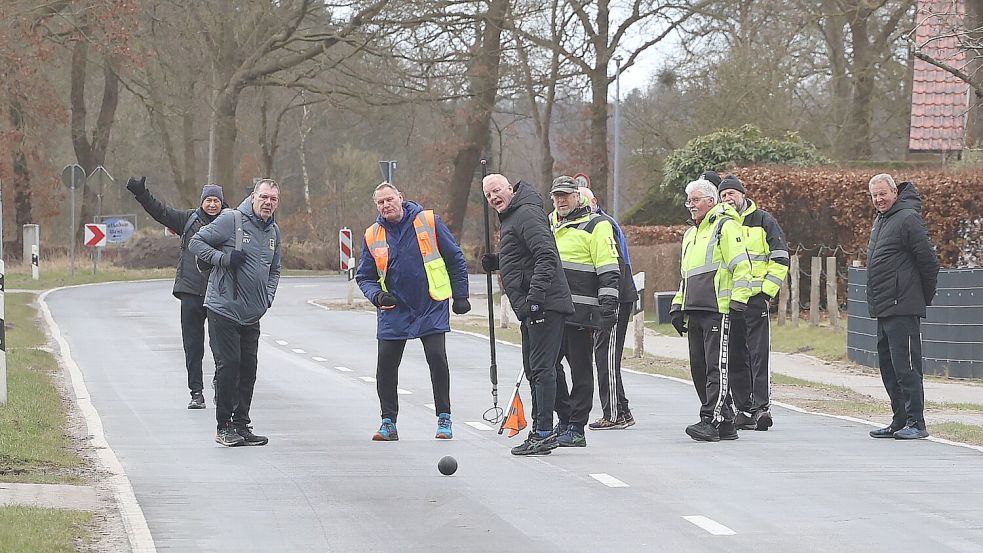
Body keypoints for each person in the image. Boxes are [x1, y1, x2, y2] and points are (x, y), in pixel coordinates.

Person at [356, 182, 470, 441]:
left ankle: (444, 418)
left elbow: (455, 258)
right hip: (393, 308)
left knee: (436, 358)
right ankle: (388, 422)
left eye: (390, 199)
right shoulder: (373, 235)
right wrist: (376, 295)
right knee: (385, 365)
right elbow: (365, 276)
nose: (386, 205)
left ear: (401, 198)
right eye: (380, 202)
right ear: (376, 206)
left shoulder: (428, 221)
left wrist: (461, 295)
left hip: (429, 304)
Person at [481, 174, 574, 456]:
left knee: (541, 370)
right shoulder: (513, 215)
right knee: (542, 368)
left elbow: (546, 255)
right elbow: (524, 256)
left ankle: (543, 432)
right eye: (488, 195)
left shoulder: (526, 213)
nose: (493, 197)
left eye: (496, 190)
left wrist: (534, 300)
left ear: (510, 188)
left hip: (542, 304)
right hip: (532, 305)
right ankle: (568, 424)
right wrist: (497, 261)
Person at [189, 179, 282, 447]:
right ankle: (224, 426)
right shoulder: (232, 220)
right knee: (228, 366)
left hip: (253, 312)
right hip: (223, 307)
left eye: (273, 199)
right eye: (264, 197)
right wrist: (223, 259)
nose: (268, 203)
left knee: (248, 369)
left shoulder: (274, 231)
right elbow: (196, 242)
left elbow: (275, 269)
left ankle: (242, 424)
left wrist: (268, 297)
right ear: (253, 197)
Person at [126, 176, 228, 409]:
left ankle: (220, 385)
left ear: (222, 203)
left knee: (221, 346)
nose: (212, 205)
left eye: (216, 201)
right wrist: (141, 194)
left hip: (219, 293)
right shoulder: (187, 220)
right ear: (202, 202)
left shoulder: (230, 222)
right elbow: (160, 212)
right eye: (208, 200)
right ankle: (196, 392)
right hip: (191, 291)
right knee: (193, 345)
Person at [670, 178, 752, 442]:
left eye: (696, 200)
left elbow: (741, 265)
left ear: (711, 200)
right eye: (689, 201)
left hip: (719, 308)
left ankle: (711, 419)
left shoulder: (725, 227)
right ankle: (726, 421)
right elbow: (686, 275)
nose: (691, 205)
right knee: (699, 368)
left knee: (717, 367)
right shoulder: (691, 234)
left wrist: (739, 300)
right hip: (695, 308)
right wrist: (677, 306)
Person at [865, 174, 939, 440]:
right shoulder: (882, 220)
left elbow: (929, 261)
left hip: (902, 305)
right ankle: (899, 419)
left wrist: (920, 298)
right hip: (884, 306)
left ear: (894, 192)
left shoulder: (908, 218)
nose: (879, 199)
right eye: (874, 195)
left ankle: (916, 422)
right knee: (889, 366)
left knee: (906, 366)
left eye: (883, 193)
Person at [548, 176, 621, 447]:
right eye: (556, 196)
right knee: (546, 368)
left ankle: (576, 427)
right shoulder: (550, 223)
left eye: (566, 195)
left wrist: (608, 306)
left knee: (580, 371)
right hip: (553, 312)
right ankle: (565, 417)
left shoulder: (597, 225)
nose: (561, 200)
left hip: (583, 313)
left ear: (578, 197)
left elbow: (608, 268)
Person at [716, 175, 789, 431]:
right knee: (735, 355)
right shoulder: (721, 225)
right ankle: (743, 408)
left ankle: (762, 407)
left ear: (742, 195)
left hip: (755, 299)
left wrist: (766, 292)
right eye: (723, 195)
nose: (728, 199)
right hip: (730, 300)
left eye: (731, 194)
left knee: (759, 355)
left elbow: (780, 258)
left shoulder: (764, 221)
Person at [578, 187, 639, 430]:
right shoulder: (591, 224)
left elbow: (613, 264)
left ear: (593, 201)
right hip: (606, 297)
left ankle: (614, 414)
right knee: (602, 354)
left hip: (616, 298)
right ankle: (621, 409)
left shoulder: (603, 224)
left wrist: (608, 301)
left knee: (607, 356)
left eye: (584, 201)